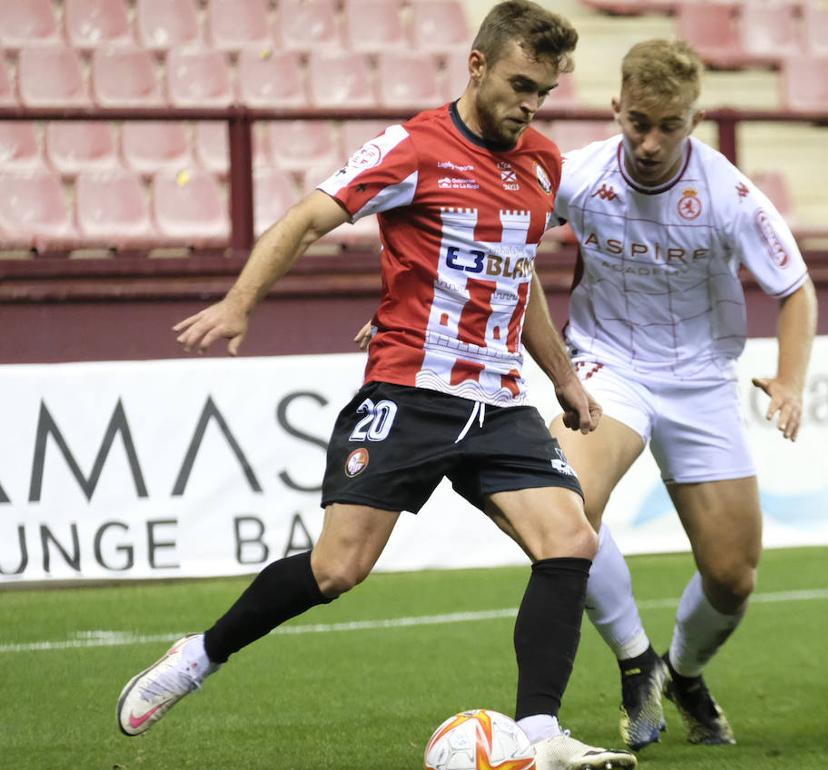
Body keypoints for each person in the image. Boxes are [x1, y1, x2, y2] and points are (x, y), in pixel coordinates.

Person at [114, 3, 637, 768]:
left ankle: (538, 735)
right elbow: (305, 218)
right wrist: (239, 303)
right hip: (412, 391)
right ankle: (200, 655)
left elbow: (518, 277)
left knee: (570, 539)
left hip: (497, 399)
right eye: (521, 84)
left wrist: (565, 382)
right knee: (338, 570)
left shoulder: (541, 163)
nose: (529, 105)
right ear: (478, 65)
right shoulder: (414, 145)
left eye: (545, 93)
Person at [547, 39, 817, 751]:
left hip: (701, 381)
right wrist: (418, 297)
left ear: (695, 119)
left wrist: (789, 380)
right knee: (559, 503)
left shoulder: (728, 195)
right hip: (611, 367)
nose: (650, 142)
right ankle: (637, 661)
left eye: (670, 126)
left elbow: (795, 290)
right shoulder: (576, 176)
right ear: (616, 108)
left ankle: (684, 672)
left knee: (732, 577)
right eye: (638, 122)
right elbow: (495, 235)